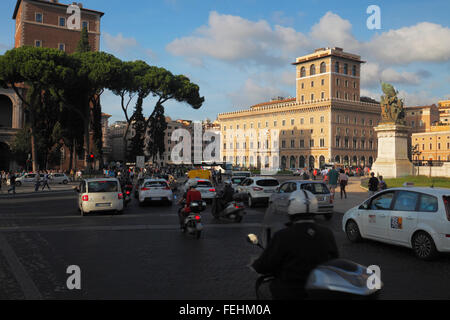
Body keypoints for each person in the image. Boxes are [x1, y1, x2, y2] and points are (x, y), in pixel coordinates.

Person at [252, 190, 339, 300]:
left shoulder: (282, 236)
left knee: (264, 290)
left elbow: (263, 266)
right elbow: (335, 260)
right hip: (320, 292)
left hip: (290, 292)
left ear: (291, 209)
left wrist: (256, 264)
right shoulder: (327, 233)